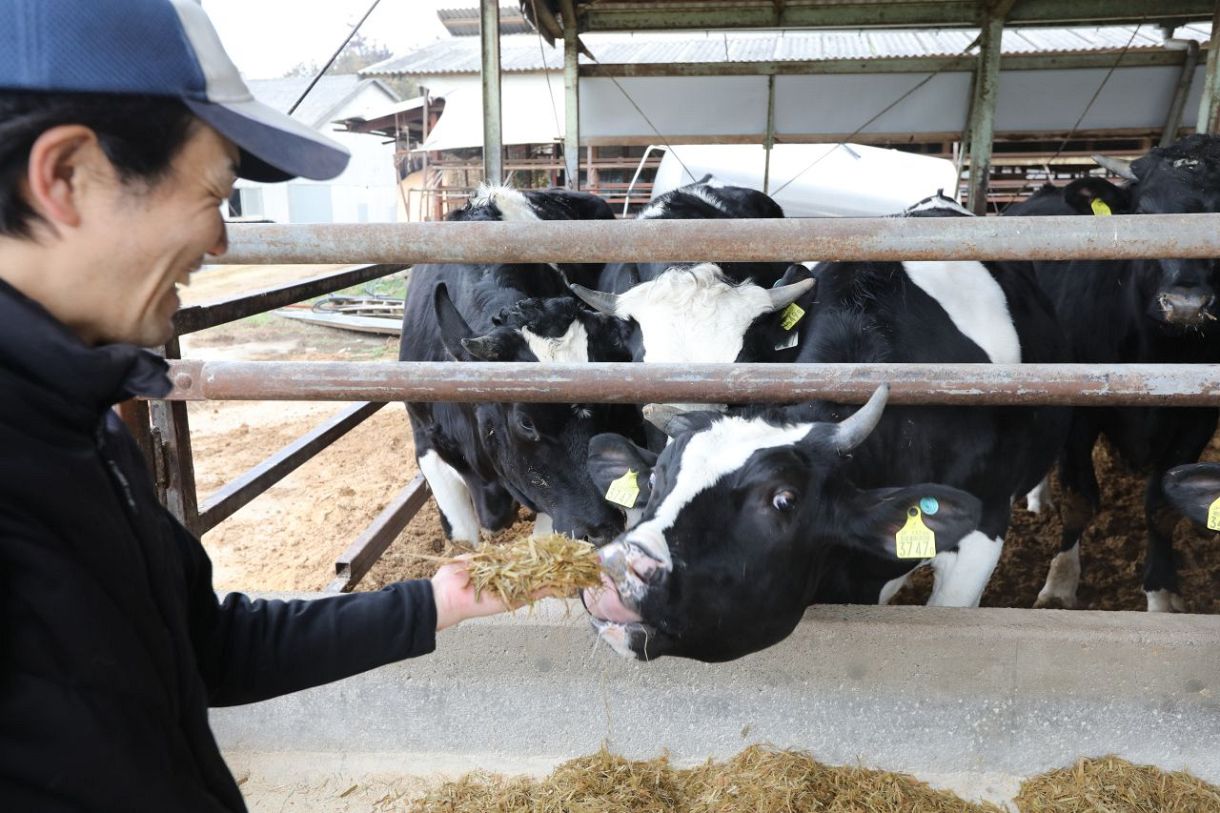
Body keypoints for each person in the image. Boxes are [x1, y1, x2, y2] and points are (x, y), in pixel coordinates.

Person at [0, 2, 520, 809]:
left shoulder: (80, 421)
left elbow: (204, 645)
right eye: (215, 193)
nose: (220, 243)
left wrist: (433, 602)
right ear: (68, 175)